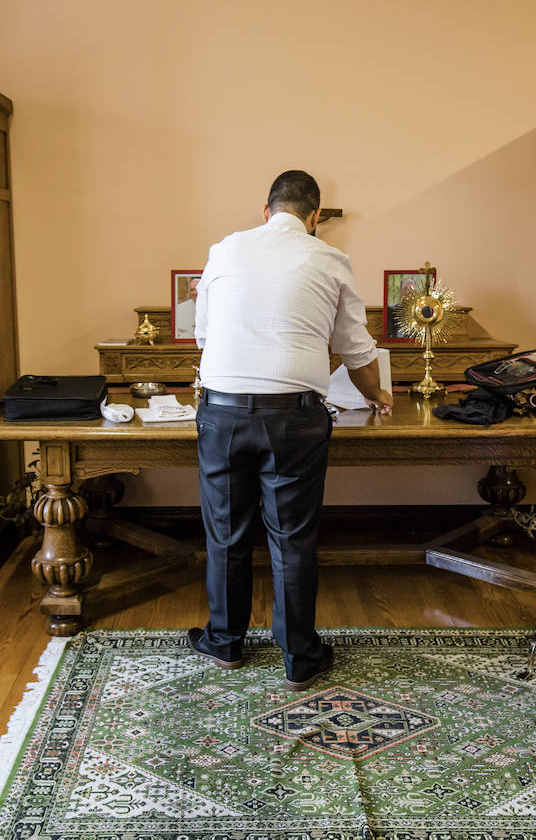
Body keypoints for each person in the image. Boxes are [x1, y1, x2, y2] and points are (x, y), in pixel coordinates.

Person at [188, 169, 393, 690]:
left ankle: (225, 643)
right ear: (315, 216)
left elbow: (204, 337)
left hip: (223, 412)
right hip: (295, 418)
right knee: (292, 538)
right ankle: (300, 656)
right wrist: (378, 396)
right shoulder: (329, 259)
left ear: (266, 210)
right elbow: (356, 350)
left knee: (226, 533)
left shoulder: (224, 250)